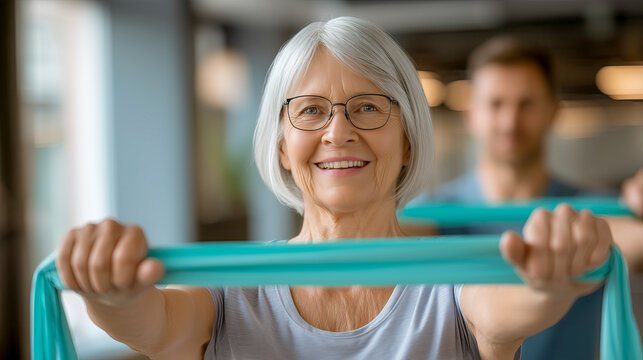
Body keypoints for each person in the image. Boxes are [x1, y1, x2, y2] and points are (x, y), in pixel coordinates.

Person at [56, 17, 616, 359]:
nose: (338, 131)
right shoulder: (229, 293)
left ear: (410, 140)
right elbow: (151, 321)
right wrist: (110, 295)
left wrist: (551, 282)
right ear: (280, 144)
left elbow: (510, 309)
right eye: (311, 111)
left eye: (368, 108)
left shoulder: (452, 288)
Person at [410, 36, 643, 359]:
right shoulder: (430, 215)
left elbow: (632, 241)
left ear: (553, 111)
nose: (510, 122)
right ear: (472, 114)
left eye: (526, 104)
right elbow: (376, 240)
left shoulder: (592, 208)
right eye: (496, 104)